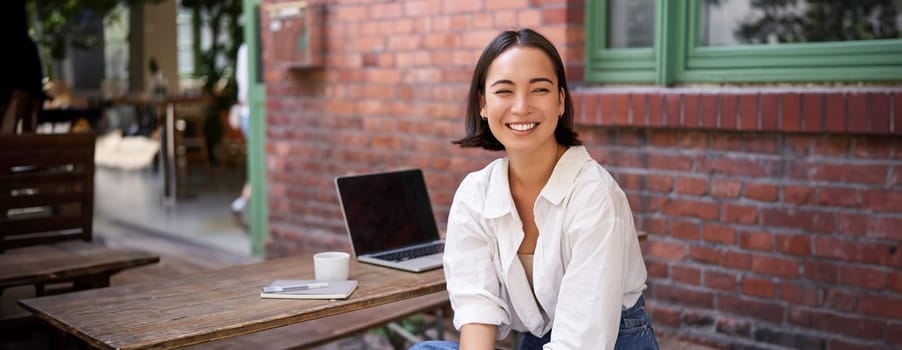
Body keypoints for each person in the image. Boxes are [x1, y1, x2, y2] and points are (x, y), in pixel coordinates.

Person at [409, 29, 659, 350]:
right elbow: (477, 309)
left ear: (560, 101)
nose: (521, 106)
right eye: (505, 91)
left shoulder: (593, 194)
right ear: (483, 104)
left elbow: (581, 341)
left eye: (539, 89)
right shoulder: (475, 194)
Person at [230, 43, 251, 220]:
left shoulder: (245, 49)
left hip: (247, 113)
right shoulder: (247, 49)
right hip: (251, 113)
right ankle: (245, 199)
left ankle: (245, 198)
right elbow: (245, 90)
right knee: (260, 163)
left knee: (260, 162)